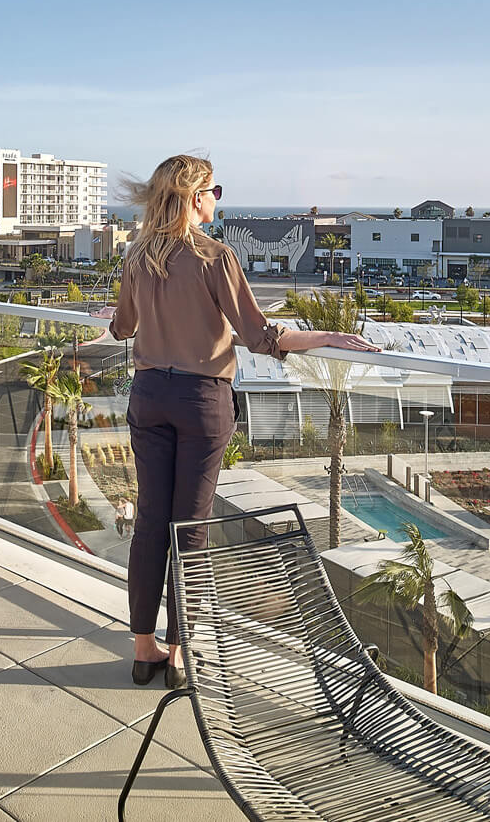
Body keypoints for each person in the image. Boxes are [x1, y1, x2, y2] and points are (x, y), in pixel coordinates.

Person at [107, 154, 377, 688]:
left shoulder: (138, 256)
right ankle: (181, 655)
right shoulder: (215, 257)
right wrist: (323, 337)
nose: (217, 198)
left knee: (149, 523)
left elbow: (122, 327)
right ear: (193, 197)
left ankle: (144, 650)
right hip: (200, 400)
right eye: (214, 189)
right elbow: (258, 337)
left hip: (149, 395)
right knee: (190, 528)